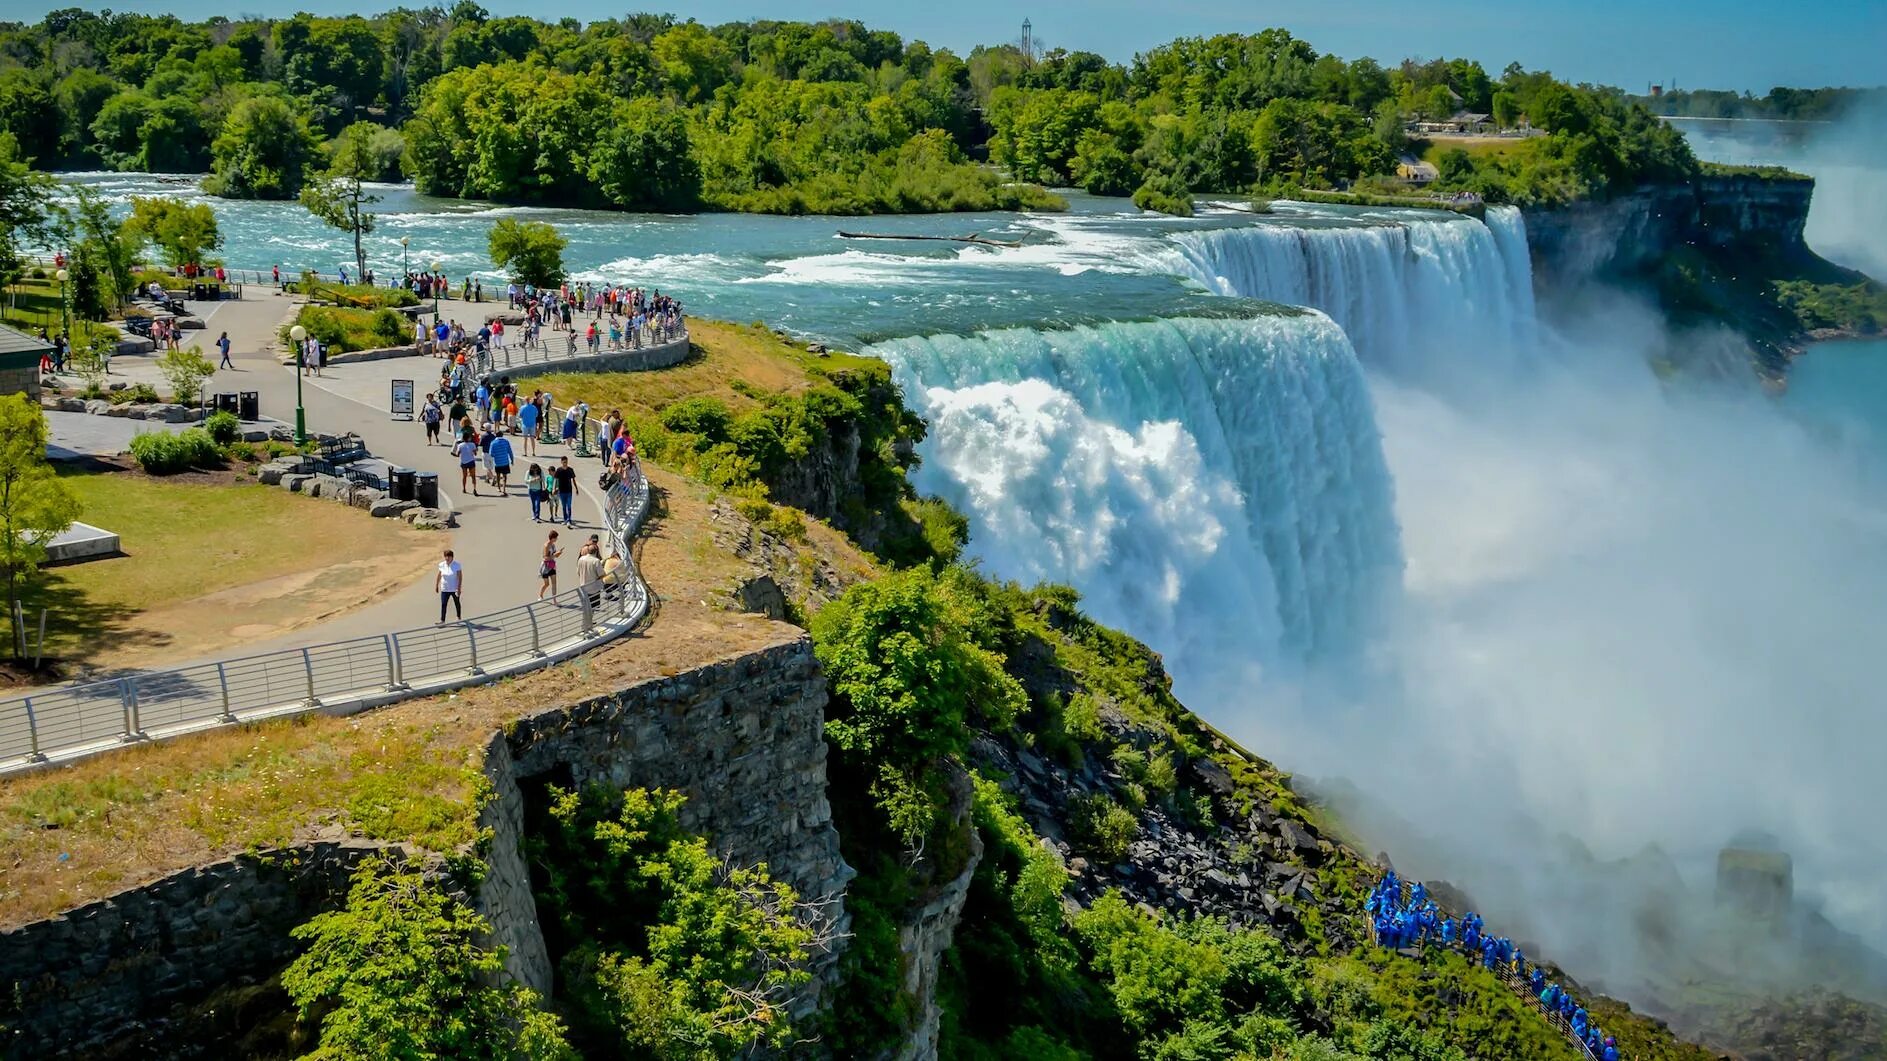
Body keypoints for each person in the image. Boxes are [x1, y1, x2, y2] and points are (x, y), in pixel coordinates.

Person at [435, 548, 463, 624]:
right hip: (445, 589)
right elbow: (439, 575)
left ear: (452, 557)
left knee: (457, 603)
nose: (447, 558)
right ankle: (442, 620)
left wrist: (459, 588)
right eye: (446, 556)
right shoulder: (441, 565)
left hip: (454, 588)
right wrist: (436, 585)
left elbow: (460, 577)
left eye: (449, 556)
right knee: (443, 604)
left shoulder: (457, 565)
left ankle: (459, 617)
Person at [577, 540, 605, 614]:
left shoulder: (581, 559)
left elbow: (578, 572)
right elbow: (602, 574)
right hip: (593, 588)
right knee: (593, 607)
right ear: (596, 552)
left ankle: (587, 622)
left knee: (586, 605)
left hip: (583, 586)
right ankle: (589, 622)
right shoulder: (596, 561)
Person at [552, 456, 578, 528]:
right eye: (563, 462)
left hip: (569, 490)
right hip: (561, 491)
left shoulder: (570, 470)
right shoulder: (559, 470)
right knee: (564, 506)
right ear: (561, 462)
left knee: (569, 506)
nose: (565, 463)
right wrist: (553, 488)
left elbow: (573, 480)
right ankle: (565, 519)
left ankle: (569, 520)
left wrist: (576, 488)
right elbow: (555, 480)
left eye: (566, 462)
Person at [453, 429, 480, 497]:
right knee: (473, 476)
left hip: (464, 462)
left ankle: (464, 488)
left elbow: (458, 454)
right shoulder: (472, 444)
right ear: (468, 438)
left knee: (464, 476)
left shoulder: (460, 445)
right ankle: (474, 489)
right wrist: (475, 450)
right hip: (471, 461)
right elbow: (475, 454)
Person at [489, 427, 514, 496]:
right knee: (504, 476)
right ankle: (504, 488)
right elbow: (510, 452)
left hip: (497, 462)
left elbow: (491, 454)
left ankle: (499, 487)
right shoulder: (506, 442)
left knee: (498, 475)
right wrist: (512, 460)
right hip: (505, 462)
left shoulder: (493, 443)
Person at [538, 530, 563, 599]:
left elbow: (555, 556)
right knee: (546, 584)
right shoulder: (546, 546)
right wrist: (555, 555)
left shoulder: (553, 545)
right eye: (556, 538)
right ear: (553, 538)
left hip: (552, 565)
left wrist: (559, 553)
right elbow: (545, 558)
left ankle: (555, 600)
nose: (557, 539)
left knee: (554, 584)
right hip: (545, 567)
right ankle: (540, 595)